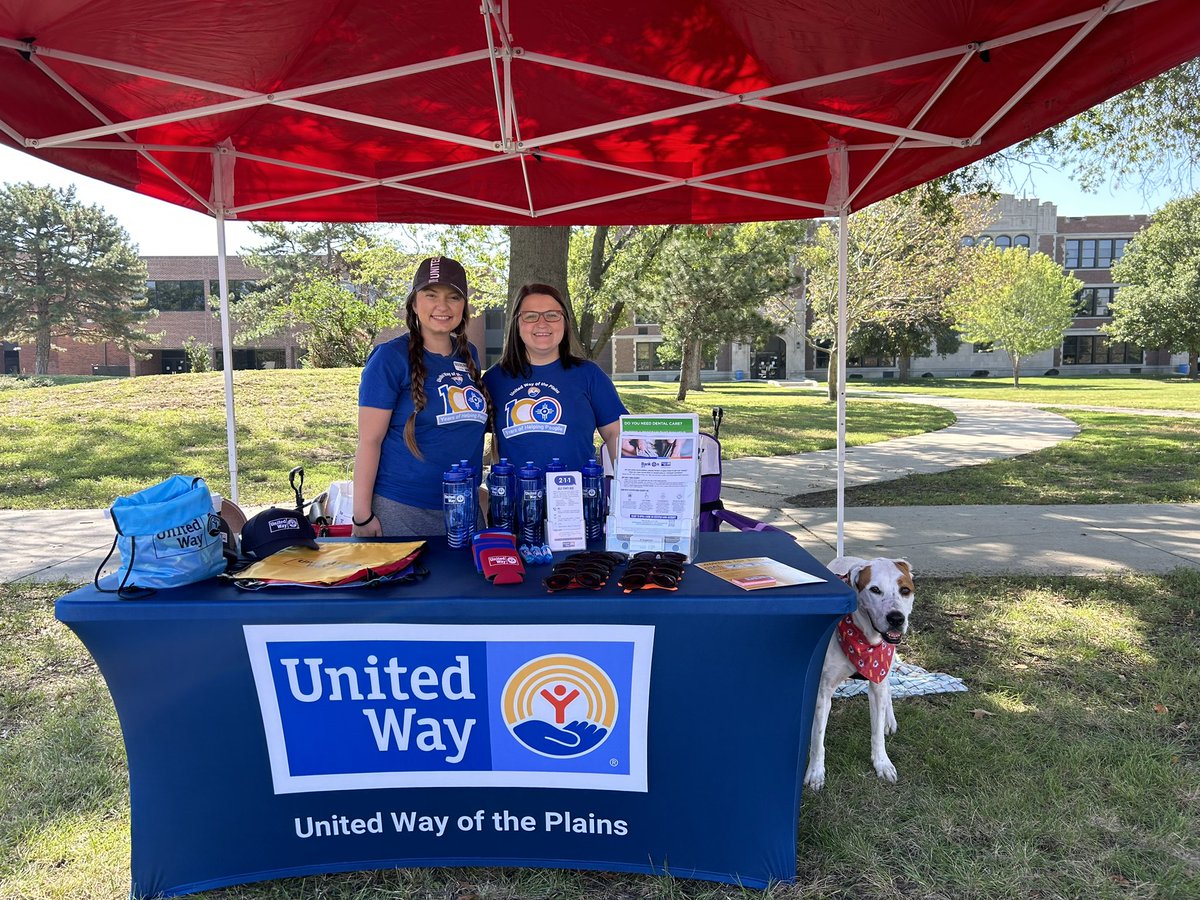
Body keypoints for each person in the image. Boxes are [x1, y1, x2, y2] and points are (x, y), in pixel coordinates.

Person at [352, 256, 488, 537]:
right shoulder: (390, 358)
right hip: (403, 510)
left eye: (453, 297)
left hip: (464, 507)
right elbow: (369, 440)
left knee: (465, 582)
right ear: (414, 303)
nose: (443, 306)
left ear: (463, 307)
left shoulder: (469, 354)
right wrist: (362, 516)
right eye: (431, 295)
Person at [484, 282, 626, 472]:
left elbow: (616, 435)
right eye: (531, 316)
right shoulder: (494, 379)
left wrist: (628, 490)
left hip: (577, 498)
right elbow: (465, 435)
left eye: (552, 315)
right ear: (517, 323)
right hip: (514, 500)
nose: (542, 323)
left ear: (565, 322)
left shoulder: (589, 374)